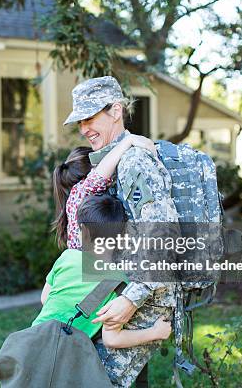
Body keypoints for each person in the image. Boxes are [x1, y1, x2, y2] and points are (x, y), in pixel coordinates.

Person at [63, 75, 180, 386]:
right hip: (117, 288)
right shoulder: (113, 161)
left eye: (90, 117)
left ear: (115, 111)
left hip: (143, 294)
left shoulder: (134, 163)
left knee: (93, 378)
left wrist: (131, 299)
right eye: (80, 121)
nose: (84, 128)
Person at [33, 194, 171, 349]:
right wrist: (156, 332)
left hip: (34, 341)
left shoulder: (67, 256)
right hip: (65, 356)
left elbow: (45, 298)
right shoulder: (118, 282)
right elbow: (112, 339)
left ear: (83, 230)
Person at [52, 134, 156, 251]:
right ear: (92, 169)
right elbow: (97, 177)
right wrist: (129, 140)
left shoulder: (78, 201)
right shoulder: (79, 193)